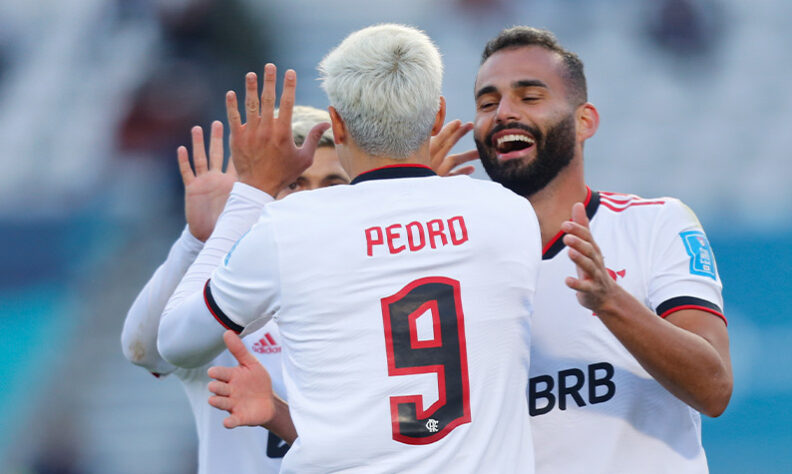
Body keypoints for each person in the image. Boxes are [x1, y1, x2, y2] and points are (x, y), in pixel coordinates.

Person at [157, 24, 540, 473]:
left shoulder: (293, 226)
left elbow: (176, 342)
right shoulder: (508, 214)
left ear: (336, 124)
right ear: (437, 116)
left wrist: (252, 191)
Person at [473, 26, 732, 473]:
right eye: (487, 103)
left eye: (529, 97)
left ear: (584, 121)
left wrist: (610, 301)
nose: (504, 114)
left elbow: (714, 387)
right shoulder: (460, 257)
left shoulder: (654, 224)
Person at [120, 106, 349, 473]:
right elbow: (143, 350)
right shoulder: (224, 302)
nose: (311, 199)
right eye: (294, 184)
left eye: (333, 185)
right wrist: (198, 243)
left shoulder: (376, 298)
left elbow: (415, 431)